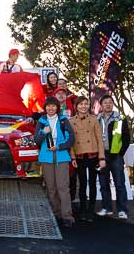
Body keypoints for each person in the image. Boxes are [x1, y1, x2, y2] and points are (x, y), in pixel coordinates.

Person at [34, 97, 75, 227]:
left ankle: (67, 216)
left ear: (57, 107)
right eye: (48, 106)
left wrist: (59, 146)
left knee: (63, 187)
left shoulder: (63, 120)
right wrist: (42, 132)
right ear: (45, 108)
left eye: (53, 106)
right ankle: (56, 213)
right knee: (51, 188)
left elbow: (71, 139)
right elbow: (37, 141)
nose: (50, 108)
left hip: (61, 157)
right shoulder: (41, 122)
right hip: (46, 158)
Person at [69, 96, 105, 222]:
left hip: (93, 155)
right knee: (83, 184)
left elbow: (99, 139)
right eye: (81, 104)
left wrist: (101, 157)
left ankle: (91, 210)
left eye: (85, 104)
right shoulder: (71, 121)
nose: (83, 106)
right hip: (79, 156)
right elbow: (71, 141)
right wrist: (73, 157)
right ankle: (83, 209)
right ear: (76, 106)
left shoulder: (94, 119)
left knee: (92, 184)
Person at [97, 95, 130, 220]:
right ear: (101, 105)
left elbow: (126, 138)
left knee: (119, 183)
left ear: (113, 104)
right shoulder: (97, 119)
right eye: (105, 102)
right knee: (103, 183)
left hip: (116, 156)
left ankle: (122, 210)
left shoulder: (120, 118)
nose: (108, 104)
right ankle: (107, 208)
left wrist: (120, 153)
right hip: (102, 155)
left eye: (110, 102)